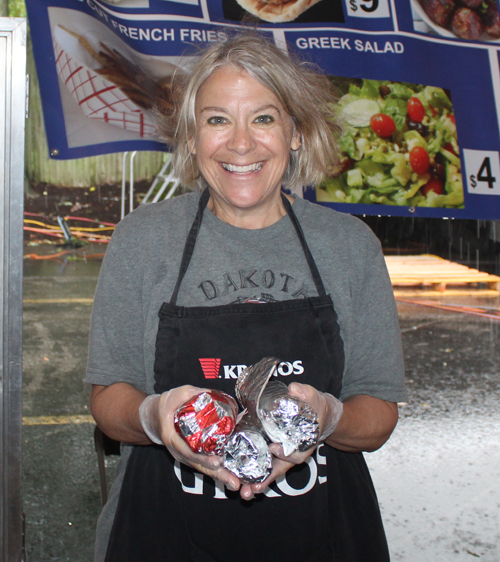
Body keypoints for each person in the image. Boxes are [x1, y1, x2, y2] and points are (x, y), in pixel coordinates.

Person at [86, 31, 407, 562]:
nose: (240, 144)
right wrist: (154, 416)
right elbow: (107, 400)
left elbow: (378, 412)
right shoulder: (142, 240)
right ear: (191, 138)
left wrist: (328, 418)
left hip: (321, 535)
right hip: (161, 534)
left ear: (297, 133)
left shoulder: (349, 246)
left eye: (263, 118)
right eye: (217, 120)